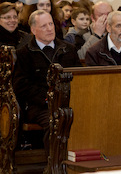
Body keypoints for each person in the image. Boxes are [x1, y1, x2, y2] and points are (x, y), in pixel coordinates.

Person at [13, 10, 81, 148]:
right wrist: (48, 98)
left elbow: (80, 77)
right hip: (40, 106)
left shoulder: (68, 49)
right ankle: (55, 164)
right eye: (44, 26)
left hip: (70, 102)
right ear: (33, 30)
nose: (50, 28)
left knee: (86, 118)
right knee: (56, 123)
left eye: (51, 24)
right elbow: (21, 85)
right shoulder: (24, 53)